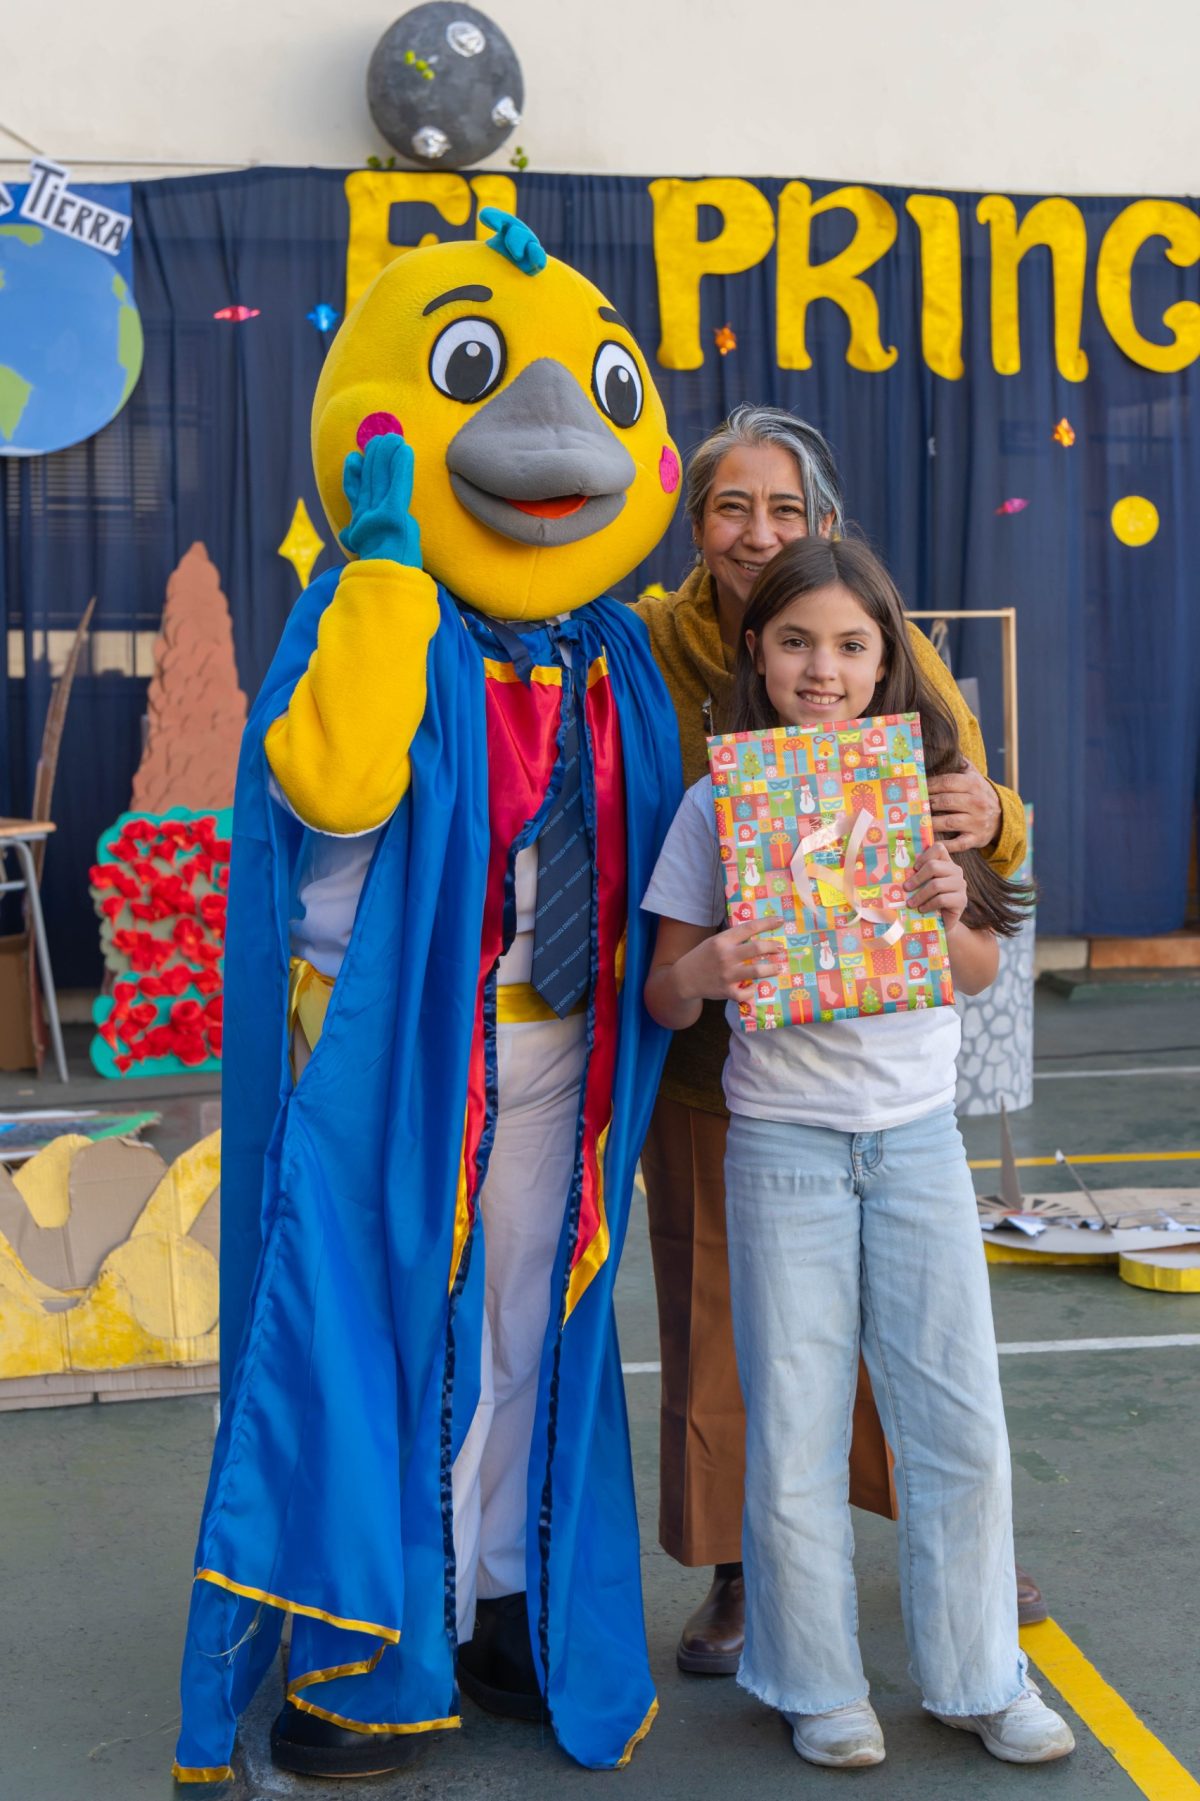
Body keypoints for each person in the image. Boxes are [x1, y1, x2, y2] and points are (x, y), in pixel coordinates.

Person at [172, 214, 682, 1782]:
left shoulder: (617, 655)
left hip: (563, 1068)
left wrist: (973, 818)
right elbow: (331, 783)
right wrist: (390, 574)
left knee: (536, 1335)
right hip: (390, 1071)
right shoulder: (371, 616)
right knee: (375, 1344)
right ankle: (360, 1646)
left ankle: (497, 1601)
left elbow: (801, 703)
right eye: (479, 376)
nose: (553, 435)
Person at [641, 536, 1074, 1768]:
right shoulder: (720, 801)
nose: (820, 669)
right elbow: (665, 997)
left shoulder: (929, 784)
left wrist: (952, 905)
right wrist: (709, 968)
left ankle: (982, 1672)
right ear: (755, 654)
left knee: (958, 1417)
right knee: (795, 1419)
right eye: (794, 643)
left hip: (917, 1139)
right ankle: (816, 1681)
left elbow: (982, 968)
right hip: (780, 1145)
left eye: (848, 646)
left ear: (889, 661)